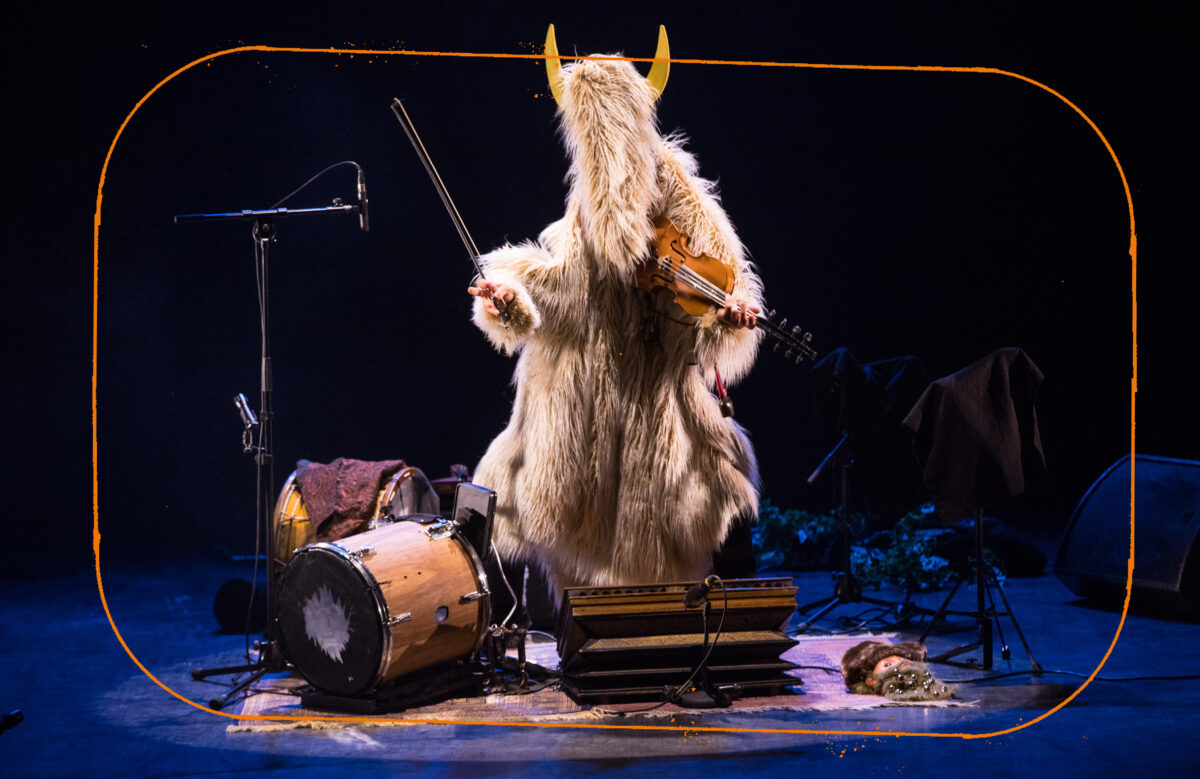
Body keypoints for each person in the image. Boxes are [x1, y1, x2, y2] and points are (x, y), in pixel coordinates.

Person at [467, 31, 764, 600]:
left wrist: (727, 316)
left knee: (664, 546)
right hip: (586, 411)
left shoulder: (677, 193)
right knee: (579, 542)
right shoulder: (583, 217)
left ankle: (666, 645)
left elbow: (719, 282)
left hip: (654, 399)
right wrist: (510, 300)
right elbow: (561, 298)